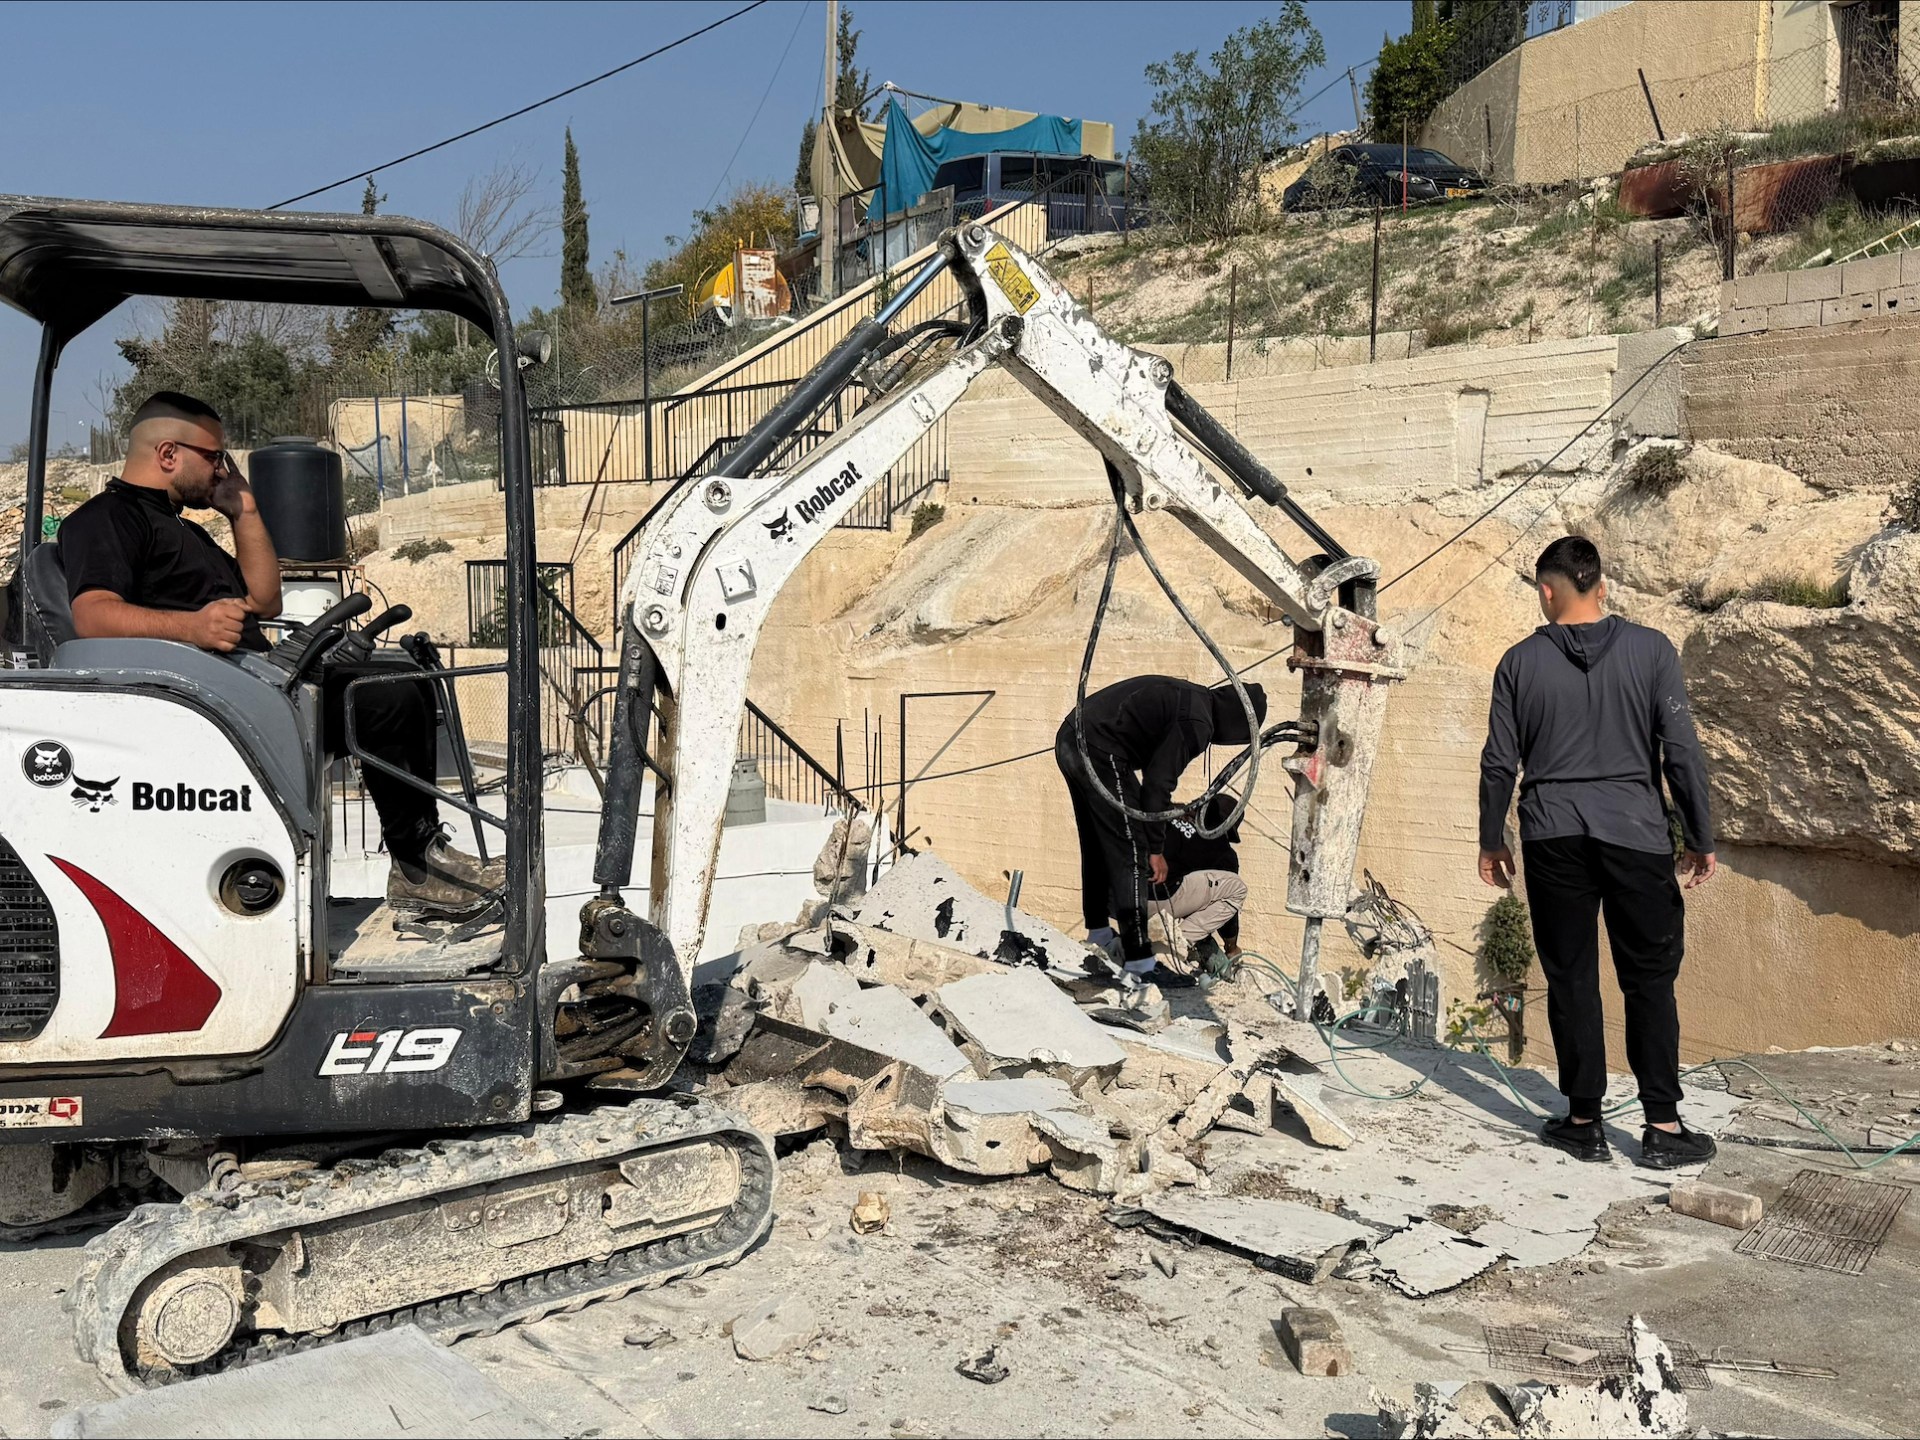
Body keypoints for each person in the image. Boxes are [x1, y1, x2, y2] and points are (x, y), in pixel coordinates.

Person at [57, 391, 500, 913]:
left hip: (248, 688)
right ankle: (417, 869)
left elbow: (265, 600)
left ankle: (422, 853)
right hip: (206, 705)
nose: (222, 469)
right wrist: (193, 627)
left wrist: (244, 511)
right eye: (215, 456)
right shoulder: (107, 519)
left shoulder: (181, 527)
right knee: (387, 697)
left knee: (400, 679)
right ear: (169, 454)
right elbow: (92, 615)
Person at [1478, 535, 1717, 1170]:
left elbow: (1499, 762)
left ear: (1546, 591)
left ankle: (1583, 1122)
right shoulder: (1653, 650)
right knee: (1650, 979)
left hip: (1552, 835)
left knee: (1571, 976)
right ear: (1601, 586)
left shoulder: (1518, 663)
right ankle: (1662, 1126)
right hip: (1636, 834)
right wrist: (1700, 836)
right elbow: (1682, 753)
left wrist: (1491, 838)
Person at [1055, 675, 1267, 982]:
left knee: (1095, 838)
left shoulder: (1192, 699)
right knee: (1134, 850)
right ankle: (1141, 962)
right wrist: (1154, 849)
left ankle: (1100, 936)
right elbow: (1156, 784)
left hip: (1070, 736)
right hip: (1100, 747)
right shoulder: (1199, 722)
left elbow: (1152, 787)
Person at [1151, 791, 1247, 972]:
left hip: (1118, 896)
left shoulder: (1168, 813)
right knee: (1236, 888)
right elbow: (1228, 915)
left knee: (1188, 882)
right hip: (1155, 901)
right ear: (1226, 827)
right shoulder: (1223, 853)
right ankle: (1176, 941)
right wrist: (1231, 947)